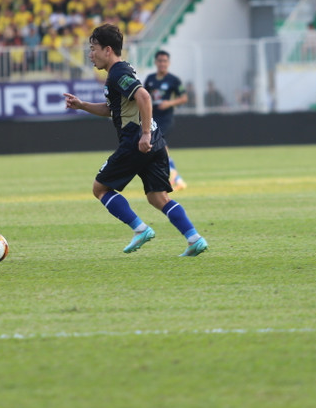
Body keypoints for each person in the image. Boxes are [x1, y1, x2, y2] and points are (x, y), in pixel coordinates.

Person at [63, 24, 208, 257]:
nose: (90, 55)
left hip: (136, 140)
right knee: (157, 197)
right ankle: (194, 238)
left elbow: (143, 96)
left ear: (108, 50)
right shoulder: (121, 70)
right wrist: (82, 105)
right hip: (154, 139)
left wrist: (144, 134)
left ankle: (140, 229)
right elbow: (113, 109)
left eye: (93, 49)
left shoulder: (118, 73)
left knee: (100, 188)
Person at [145, 50, 189, 191]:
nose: (162, 64)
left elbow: (184, 98)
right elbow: (144, 96)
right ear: (156, 62)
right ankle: (176, 179)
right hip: (153, 118)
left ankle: (174, 178)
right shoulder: (150, 79)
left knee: (159, 145)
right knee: (161, 148)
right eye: (160, 61)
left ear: (168, 63)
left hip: (166, 119)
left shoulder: (173, 80)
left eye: (165, 61)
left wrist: (169, 103)